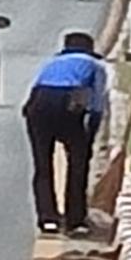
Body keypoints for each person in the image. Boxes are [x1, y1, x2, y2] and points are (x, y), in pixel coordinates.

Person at [24, 31, 107, 236]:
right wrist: (90, 135)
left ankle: (47, 219)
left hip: (38, 104)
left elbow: (34, 92)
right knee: (78, 162)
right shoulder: (96, 66)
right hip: (69, 102)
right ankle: (75, 220)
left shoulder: (52, 63)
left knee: (42, 164)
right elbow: (97, 104)